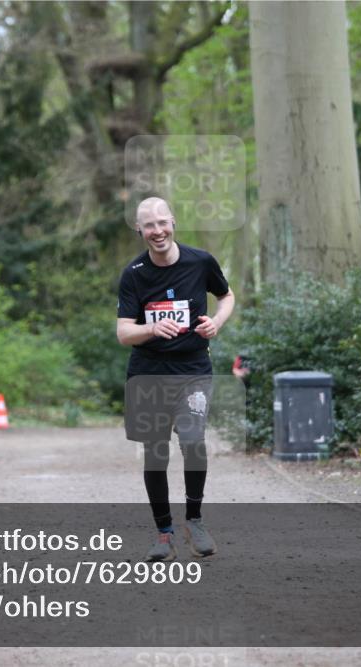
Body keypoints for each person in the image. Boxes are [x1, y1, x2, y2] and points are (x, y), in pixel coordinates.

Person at [116, 197, 235, 561]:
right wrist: (151, 328)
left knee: (193, 441)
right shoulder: (134, 273)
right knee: (155, 453)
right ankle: (164, 532)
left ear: (173, 223)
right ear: (139, 230)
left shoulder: (200, 261)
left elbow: (226, 296)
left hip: (192, 370)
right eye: (149, 225)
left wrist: (216, 321)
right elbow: (123, 333)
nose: (158, 231)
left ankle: (194, 520)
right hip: (148, 374)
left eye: (162, 223)